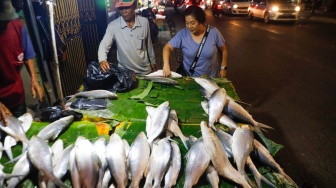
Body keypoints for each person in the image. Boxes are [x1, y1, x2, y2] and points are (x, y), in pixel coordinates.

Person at [0, 0, 44, 118]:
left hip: (17, 95)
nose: (6, 24)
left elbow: (28, 54)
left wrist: (34, 80)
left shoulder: (17, 25)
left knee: (21, 130)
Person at [162, 5, 228, 78]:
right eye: (187, 23)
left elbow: (223, 50)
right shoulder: (183, 34)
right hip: (190, 78)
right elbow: (167, 47)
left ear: (200, 21)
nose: (190, 26)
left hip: (211, 78)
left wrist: (223, 68)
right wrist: (166, 64)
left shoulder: (213, 32)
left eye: (192, 23)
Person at [98, 0, 157, 75]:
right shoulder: (113, 26)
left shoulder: (144, 22)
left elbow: (149, 44)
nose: (124, 12)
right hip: (125, 73)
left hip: (144, 71)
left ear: (134, 6)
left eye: (127, 8)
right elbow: (104, 44)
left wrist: (153, 61)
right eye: (121, 8)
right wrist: (102, 59)